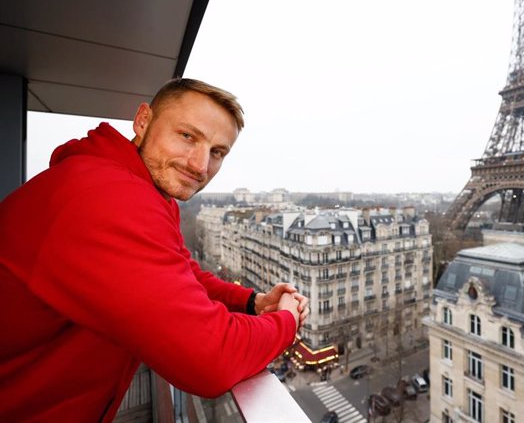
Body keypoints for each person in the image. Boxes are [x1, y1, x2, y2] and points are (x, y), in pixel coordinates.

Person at [0, 78, 309, 422]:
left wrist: (251, 302)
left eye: (217, 152)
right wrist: (285, 321)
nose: (200, 165)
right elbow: (210, 360)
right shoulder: (109, 198)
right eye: (188, 136)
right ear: (143, 120)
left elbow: (183, 270)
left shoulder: (140, 190)